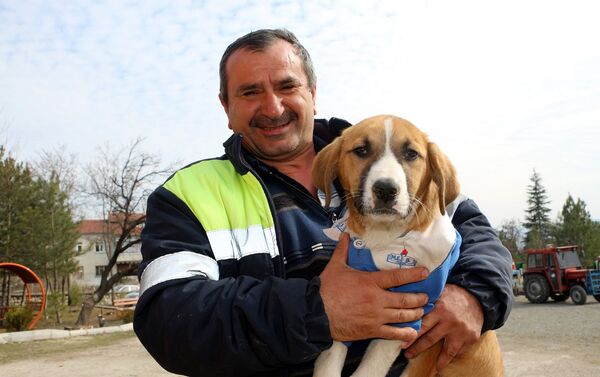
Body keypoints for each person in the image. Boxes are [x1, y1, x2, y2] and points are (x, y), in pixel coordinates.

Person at [134, 28, 513, 377]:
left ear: (312, 93)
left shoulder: (386, 159)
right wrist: (314, 312)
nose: (273, 107)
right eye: (250, 92)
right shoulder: (186, 194)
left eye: (287, 86)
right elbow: (168, 319)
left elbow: (476, 233)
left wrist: (473, 296)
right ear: (226, 107)